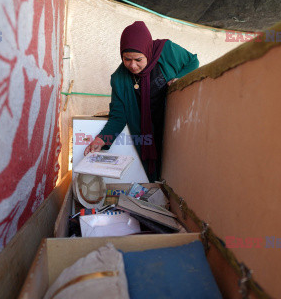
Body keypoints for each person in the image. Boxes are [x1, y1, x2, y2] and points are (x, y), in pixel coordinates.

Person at [84, 21, 199, 182]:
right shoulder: (119, 79)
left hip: (175, 127)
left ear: (147, 51)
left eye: (138, 59)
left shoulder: (166, 50)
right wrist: (102, 139)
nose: (132, 65)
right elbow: (118, 116)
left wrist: (180, 80)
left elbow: (192, 62)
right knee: (158, 177)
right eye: (126, 59)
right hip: (148, 137)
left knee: (180, 173)